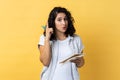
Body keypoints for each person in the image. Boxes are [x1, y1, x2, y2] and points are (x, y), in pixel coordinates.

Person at [38, 7, 85, 80]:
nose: (64, 23)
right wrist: (47, 38)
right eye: (59, 20)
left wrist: (79, 61)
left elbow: (81, 63)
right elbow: (45, 62)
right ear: (53, 22)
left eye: (65, 19)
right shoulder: (44, 38)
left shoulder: (76, 39)